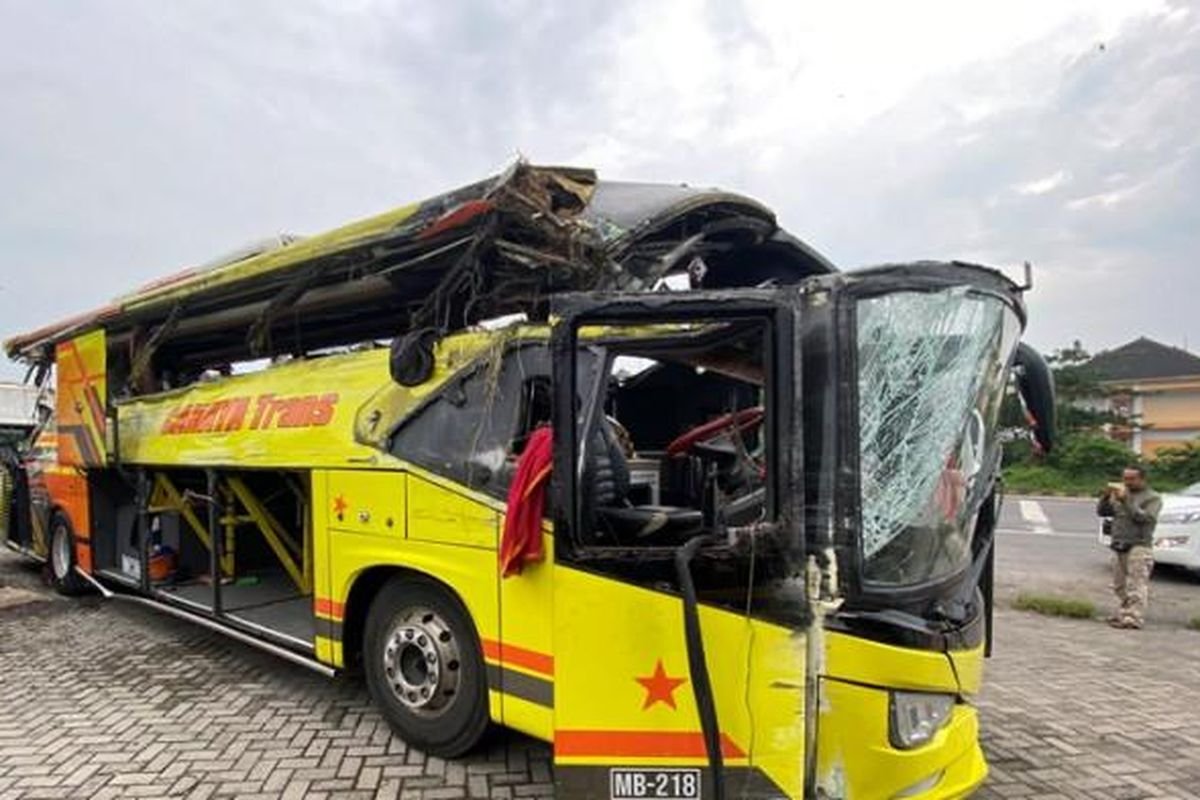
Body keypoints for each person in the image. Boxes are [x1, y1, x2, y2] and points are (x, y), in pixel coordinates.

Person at [1096, 466, 1162, 629]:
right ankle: (1125, 612)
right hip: (1119, 544)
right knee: (1119, 585)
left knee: (1136, 584)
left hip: (1139, 545)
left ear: (1142, 479)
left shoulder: (1152, 498)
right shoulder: (1120, 494)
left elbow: (1143, 518)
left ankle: (1134, 617)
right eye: (1125, 478)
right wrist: (1105, 497)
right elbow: (1103, 512)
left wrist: (1126, 501)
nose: (1128, 482)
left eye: (1132, 479)